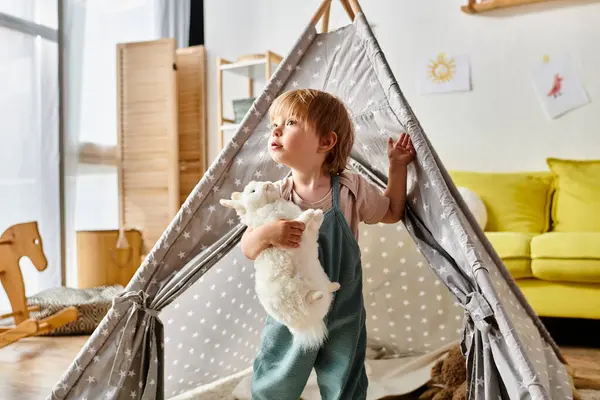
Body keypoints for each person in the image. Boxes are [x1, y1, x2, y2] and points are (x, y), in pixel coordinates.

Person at [240, 88, 415, 400]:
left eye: (291, 123)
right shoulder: (274, 195)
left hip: (342, 307)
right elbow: (248, 248)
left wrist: (397, 167)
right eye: (274, 124)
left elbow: (391, 211)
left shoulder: (349, 188)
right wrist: (268, 234)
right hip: (291, 307)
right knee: (278, 371)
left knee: (344, 375)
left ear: (325, 142)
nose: (277, 130)